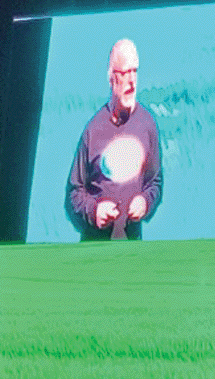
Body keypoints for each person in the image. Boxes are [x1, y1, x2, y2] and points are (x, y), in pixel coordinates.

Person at [66, 38, 163, 239]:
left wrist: (145, 201)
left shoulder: (148, 125)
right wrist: (94, 211)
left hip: (132, 252)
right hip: (95, 252)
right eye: (125, 72)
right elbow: (74, 194)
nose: (131, 81)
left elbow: (155, 182)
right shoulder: (93, 129)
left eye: (135, 71)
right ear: (111, 78)